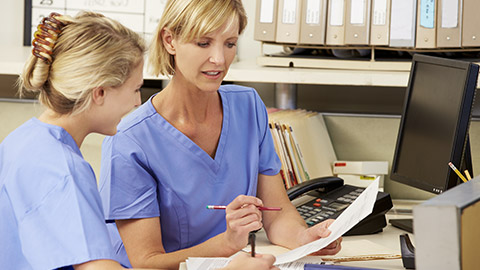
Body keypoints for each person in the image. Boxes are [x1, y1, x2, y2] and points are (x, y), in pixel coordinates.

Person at [0, 11, 277, 270]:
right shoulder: (64, 170)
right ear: (100, 93)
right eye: (135, 89)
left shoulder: (23, 141)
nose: (137, 102)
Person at [99, 0, 342, 269]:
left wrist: (304, 237)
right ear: (170, 41)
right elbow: (147, 263)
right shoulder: (130, 140)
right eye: (204, 43)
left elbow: (277, 213)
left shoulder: (248, 106)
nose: (219, 59)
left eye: (229, 43)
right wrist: (227, 243)